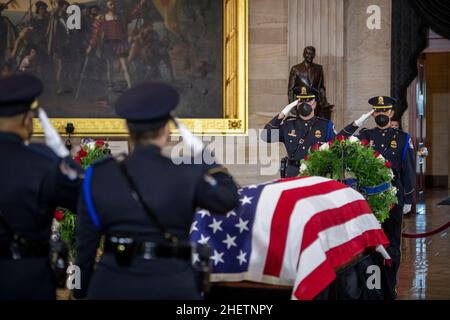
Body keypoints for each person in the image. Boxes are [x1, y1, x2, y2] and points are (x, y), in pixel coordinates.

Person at [73, 82, 240, 300]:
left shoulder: (98, 175)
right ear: (166, 130)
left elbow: (85, 246)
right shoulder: (187, 174)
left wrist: (80, 289)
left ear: (128, 130)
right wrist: (210, 162)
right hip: (171, 285)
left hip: (112, 285)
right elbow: (227, 199)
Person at [0, 74, 82, 300]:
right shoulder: (42, 163)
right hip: (27, 280)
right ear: (28, 120)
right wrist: (65, 156)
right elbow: (84, 199)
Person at [343, 96, 416, 297]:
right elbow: (339, 139)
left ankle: (390, 286)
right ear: (373, 114)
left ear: (391, 113)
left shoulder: (402, 138)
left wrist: (409, 199)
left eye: (385, 111)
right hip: (369, 199)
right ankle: (371, 288)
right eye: (377, 111)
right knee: (369, 245)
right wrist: (358, 122)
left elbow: (408, 170)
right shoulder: (364, 136)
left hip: (393, 199)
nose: (381, 115)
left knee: (392, 246)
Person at [262, 86, 372, 178]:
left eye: (308, 100)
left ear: (314, 103)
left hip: (316, 174)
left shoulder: (325, 125)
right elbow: (265, 136)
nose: (304, 104)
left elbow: (337, 143)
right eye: (301, 100)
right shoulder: (288, 125)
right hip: (293, 174)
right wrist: (284, 112)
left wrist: (354, 125)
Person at [288, 46, 333, 119]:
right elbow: (291, 90)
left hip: (316, 104)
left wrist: (324, 102)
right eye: (307, 53)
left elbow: (321, 87)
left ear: (314, 55)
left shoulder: (319, 68)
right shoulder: (296, 69)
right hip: (301, 104)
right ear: (303, 54)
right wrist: (292, 107)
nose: (310, 56)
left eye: (312, 54)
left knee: (316, 128)